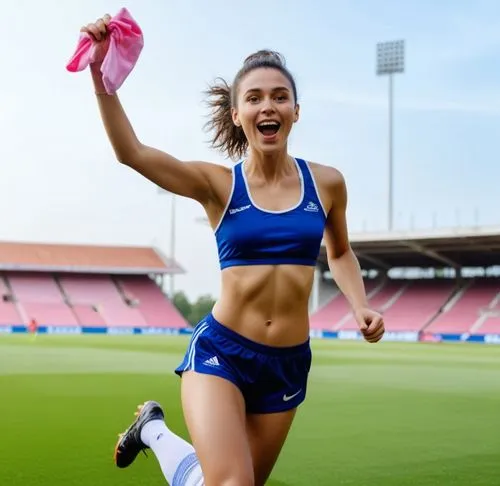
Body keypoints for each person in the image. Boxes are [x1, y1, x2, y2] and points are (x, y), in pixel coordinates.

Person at [79, 13, 385, 486]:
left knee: (225, 482)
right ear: (238, 114)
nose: (269, 106)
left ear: (296, 111)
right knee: (231, 484)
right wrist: (102, 77)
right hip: (223, 352)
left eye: (280, 97)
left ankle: (153, 430)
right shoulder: (219, 185)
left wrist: (360, 305)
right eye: (255, 98)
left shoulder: (326, 184)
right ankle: (157, 430)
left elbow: (340, 253)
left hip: (287, 364)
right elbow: (132, 153)